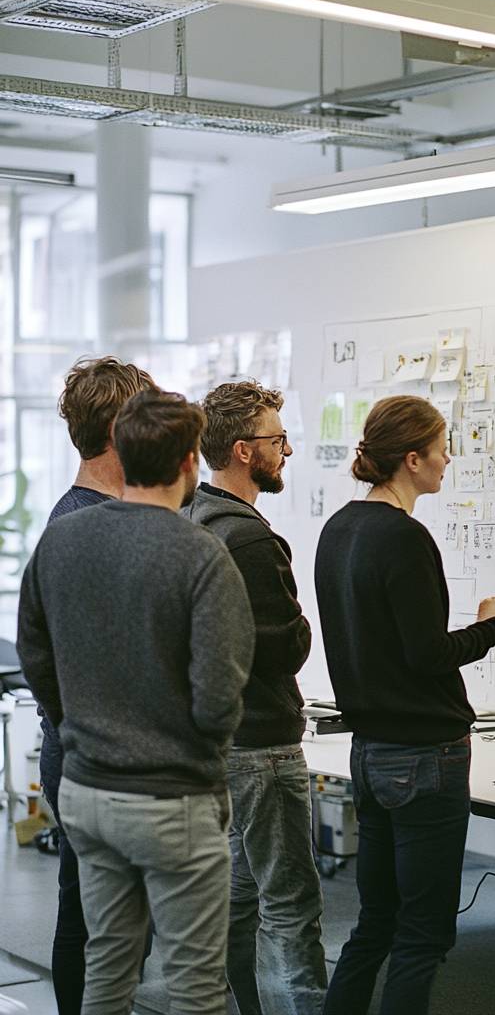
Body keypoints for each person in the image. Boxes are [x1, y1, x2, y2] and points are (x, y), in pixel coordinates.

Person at [17, 389, 255, 1015]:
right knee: (196, 986)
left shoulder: (61, 540)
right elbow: (218, 697)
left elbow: (34, 654)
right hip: (172, 798)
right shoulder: (202, 553)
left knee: (107, 974)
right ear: (188, 465)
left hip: (87, 793)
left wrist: (78, 725)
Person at [314, 394, 495, 1015]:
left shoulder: (338, 528)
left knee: (375, 920)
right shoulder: (403, 538)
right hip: (425, 757)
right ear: (411, 459)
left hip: (370, 754)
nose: (448, 459)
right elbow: (427, 655)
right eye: (440, 448)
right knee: (423, 933)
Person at [183, 379, 326, 1015]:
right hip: (264, 745)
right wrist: (301, 626)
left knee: (239, 901)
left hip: (216, 744)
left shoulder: (190, 518)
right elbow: (285, 646)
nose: (287, 450)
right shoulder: (248, 539)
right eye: (277, 439)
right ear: (244, 451)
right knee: (290, 905)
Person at [41, 356, 155, 1015]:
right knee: (102, 927)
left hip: (89, 750)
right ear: (117, 430)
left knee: (90, 915)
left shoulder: (85, 517)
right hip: (98, 756)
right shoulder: (87, 525)